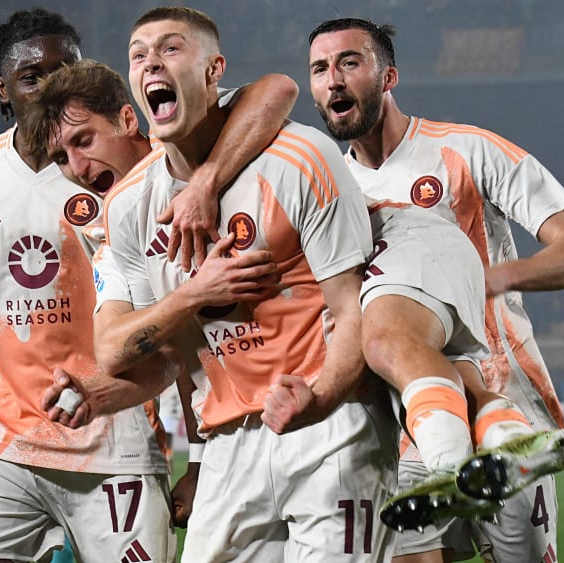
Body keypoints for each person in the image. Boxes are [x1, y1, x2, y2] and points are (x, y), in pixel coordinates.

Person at [0, 8, 295, 562]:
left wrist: (205, 181)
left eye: (64, 70)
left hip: (118, 439)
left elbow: (180, 344)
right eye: (32, 77)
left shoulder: (154, 172)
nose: (50, 86)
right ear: (3, 90)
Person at [95, 7, 402, 561]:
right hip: (227, 443)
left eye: (170, 49)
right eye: (138, 56)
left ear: (214, 71)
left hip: (332, 426)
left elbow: (353, 309)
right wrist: (194, 294)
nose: (151, 63)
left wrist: (319, 401)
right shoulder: (129, 207)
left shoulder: (299, 158)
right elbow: (133, 350)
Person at [306, 17, 564, 563]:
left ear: (388, 76)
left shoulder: (467, 149)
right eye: (320, 69)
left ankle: (509, 444)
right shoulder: (330, 193)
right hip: (407, 424)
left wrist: (491, 279)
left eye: (349, 62)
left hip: (502, 404)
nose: (334, 80)